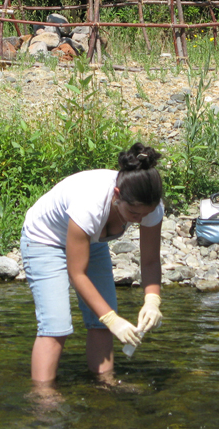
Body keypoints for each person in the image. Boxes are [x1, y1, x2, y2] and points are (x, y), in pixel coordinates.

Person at [20, 142, 165, 383]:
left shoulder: (151, 207)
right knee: (55, 325)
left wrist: (152, 300)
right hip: (44, 239)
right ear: (117, 196)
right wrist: (112, 319)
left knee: (102, 321)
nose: (140, 220)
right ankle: (43, 399)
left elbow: (150, 261)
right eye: (134, 214)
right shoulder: (91, 203)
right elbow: (77, 274)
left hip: (92, 240)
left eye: (145, 214)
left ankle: (105, 386)